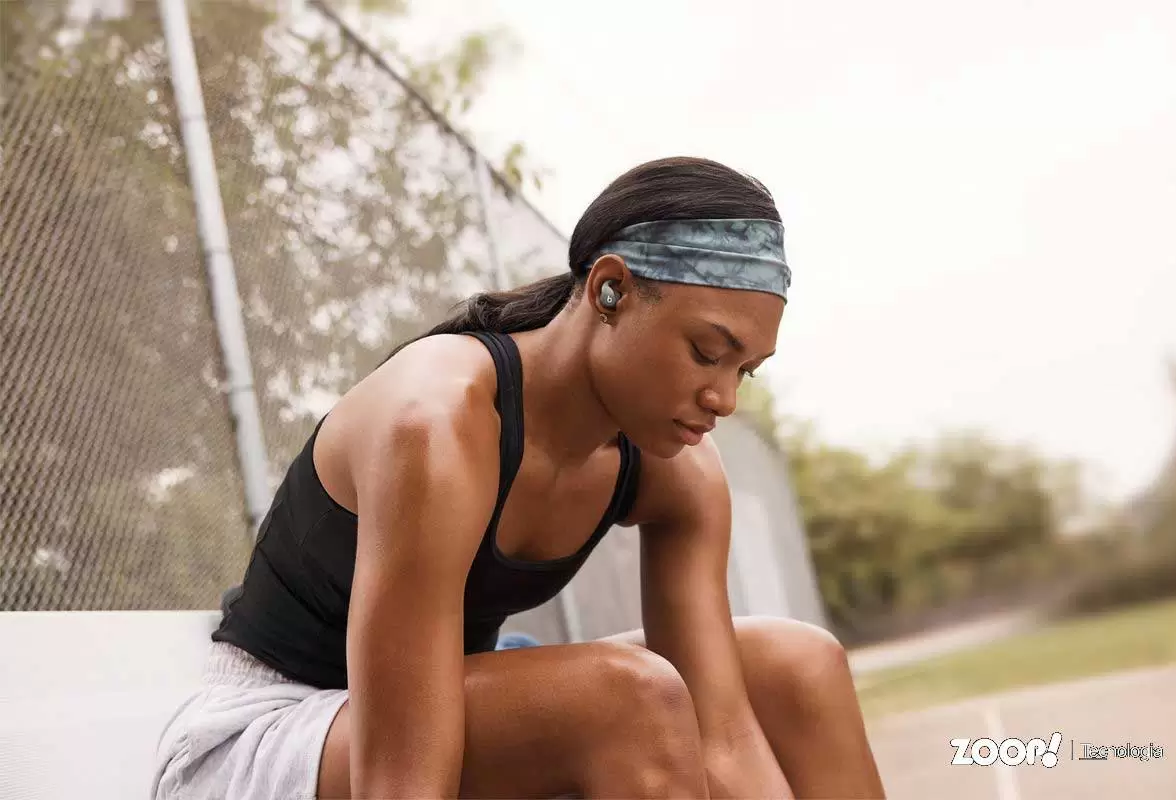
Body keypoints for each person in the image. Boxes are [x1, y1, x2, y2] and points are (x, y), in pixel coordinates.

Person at [150, 156, 886, 799]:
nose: (724, 398)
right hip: (277, 735)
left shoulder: (680, 470)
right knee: (628, 699)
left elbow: (724, 740)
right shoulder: (440, 419)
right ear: (610, 290)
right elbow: (401, 780)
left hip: (458, 698)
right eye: (706, 352)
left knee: (800, 666)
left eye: (744, 370)